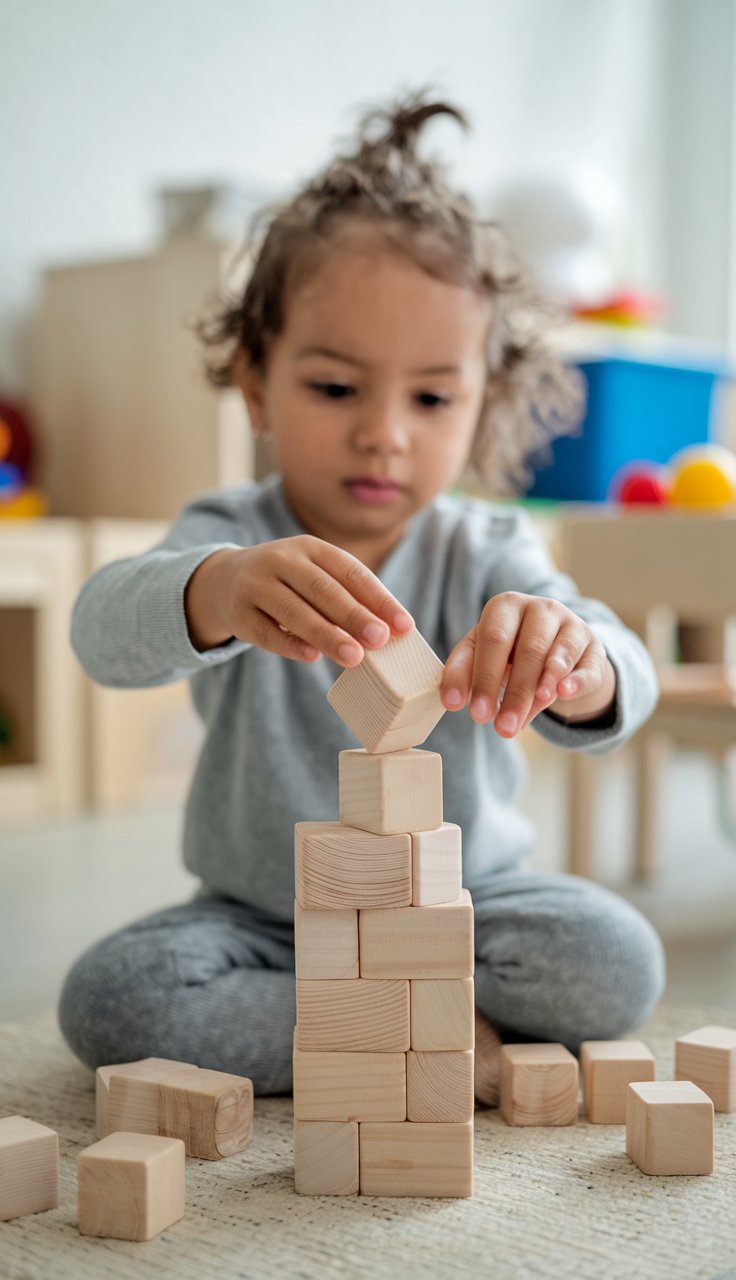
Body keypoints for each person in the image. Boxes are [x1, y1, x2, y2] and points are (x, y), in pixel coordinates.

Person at [60, 92, 665, 1103]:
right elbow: (101, 630)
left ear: (481, 404)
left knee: (620, 959)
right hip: (266, 916)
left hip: (465, 906)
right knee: (112, 1000)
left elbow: (621, 670)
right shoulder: (230, 533)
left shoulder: (488, 545)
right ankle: (408, 1033)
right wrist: (215, 589)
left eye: (430, 398)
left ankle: (384, 1019)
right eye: (337, 388)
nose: (385, 432)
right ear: (255, 381)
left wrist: (579, 662)